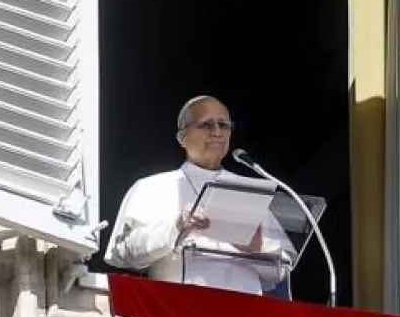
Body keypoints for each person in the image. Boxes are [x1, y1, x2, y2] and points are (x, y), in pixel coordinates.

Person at [104, 95, 293, 296]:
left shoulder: (249, 191)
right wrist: (176, 228)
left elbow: (282, 270)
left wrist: (256, 249)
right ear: (182, 137)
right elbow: (121, 253)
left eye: (224, 125)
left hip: (245, 309)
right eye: (206, 125)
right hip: (178, 306)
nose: (217, 132)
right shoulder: (152, 187)